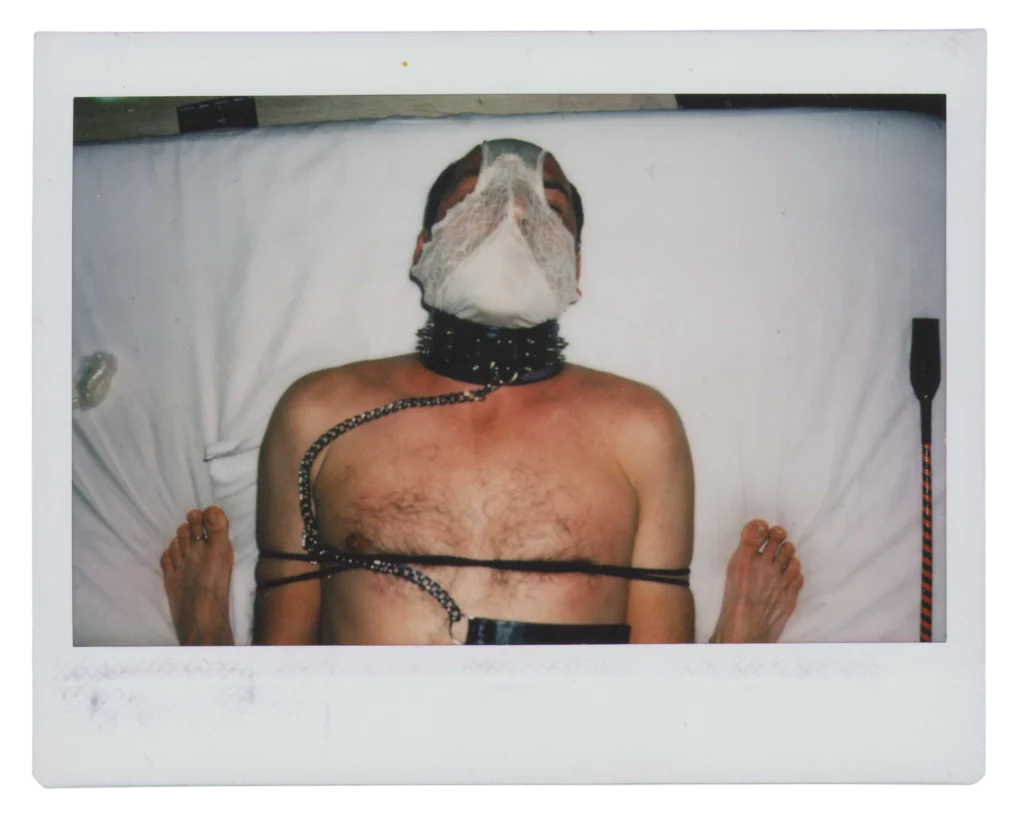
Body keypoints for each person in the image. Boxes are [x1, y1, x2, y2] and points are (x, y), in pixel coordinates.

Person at [160, 138, 804, 647]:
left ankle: (732, 656)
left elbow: (655, 671)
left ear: (575, 270)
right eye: (476, 200)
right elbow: (286, 652)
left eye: (549, 209)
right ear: (424, 249)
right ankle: (208, 644)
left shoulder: (640, 426)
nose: (513, 216)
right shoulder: (318, 411)